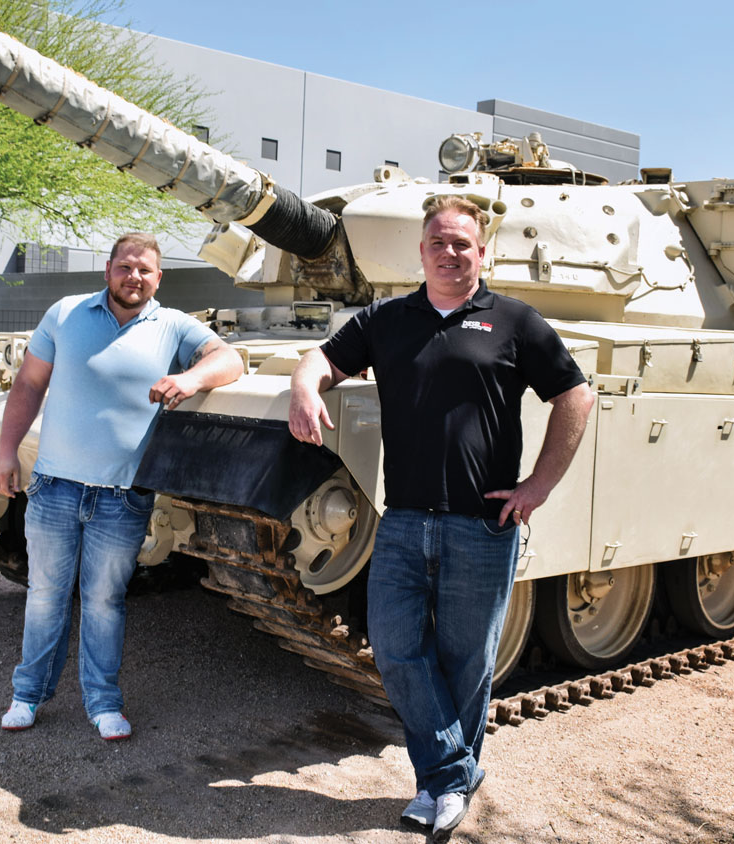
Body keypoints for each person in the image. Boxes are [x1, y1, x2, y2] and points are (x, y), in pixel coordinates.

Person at [288, 196, 594, 840]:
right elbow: (322, 359)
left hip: (480, 523)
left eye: (463, 243)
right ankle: (455, 774)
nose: (450, 252)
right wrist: (302, 388)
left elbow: (575, 393)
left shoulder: (515, 321)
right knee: (395, 648)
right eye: (438, 242)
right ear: (421, 251)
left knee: (466, 660)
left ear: (482, 253)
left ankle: (440, 786)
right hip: (401, 520)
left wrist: (538, 485)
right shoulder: (388, 319)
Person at [0, 232, 244, 741]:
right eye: (126, 267)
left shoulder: (172, 324)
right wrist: (4, 452)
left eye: (145, 270)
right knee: (45, 596)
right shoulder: (65, 313)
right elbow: (29, 384)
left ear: (158, 277)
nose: (135, 277)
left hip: (121, 496)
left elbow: (231, 359)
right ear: (108, 270)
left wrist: (190, 380)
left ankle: (103, 703)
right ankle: (27, 695)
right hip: (55, 487)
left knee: (105, 600)